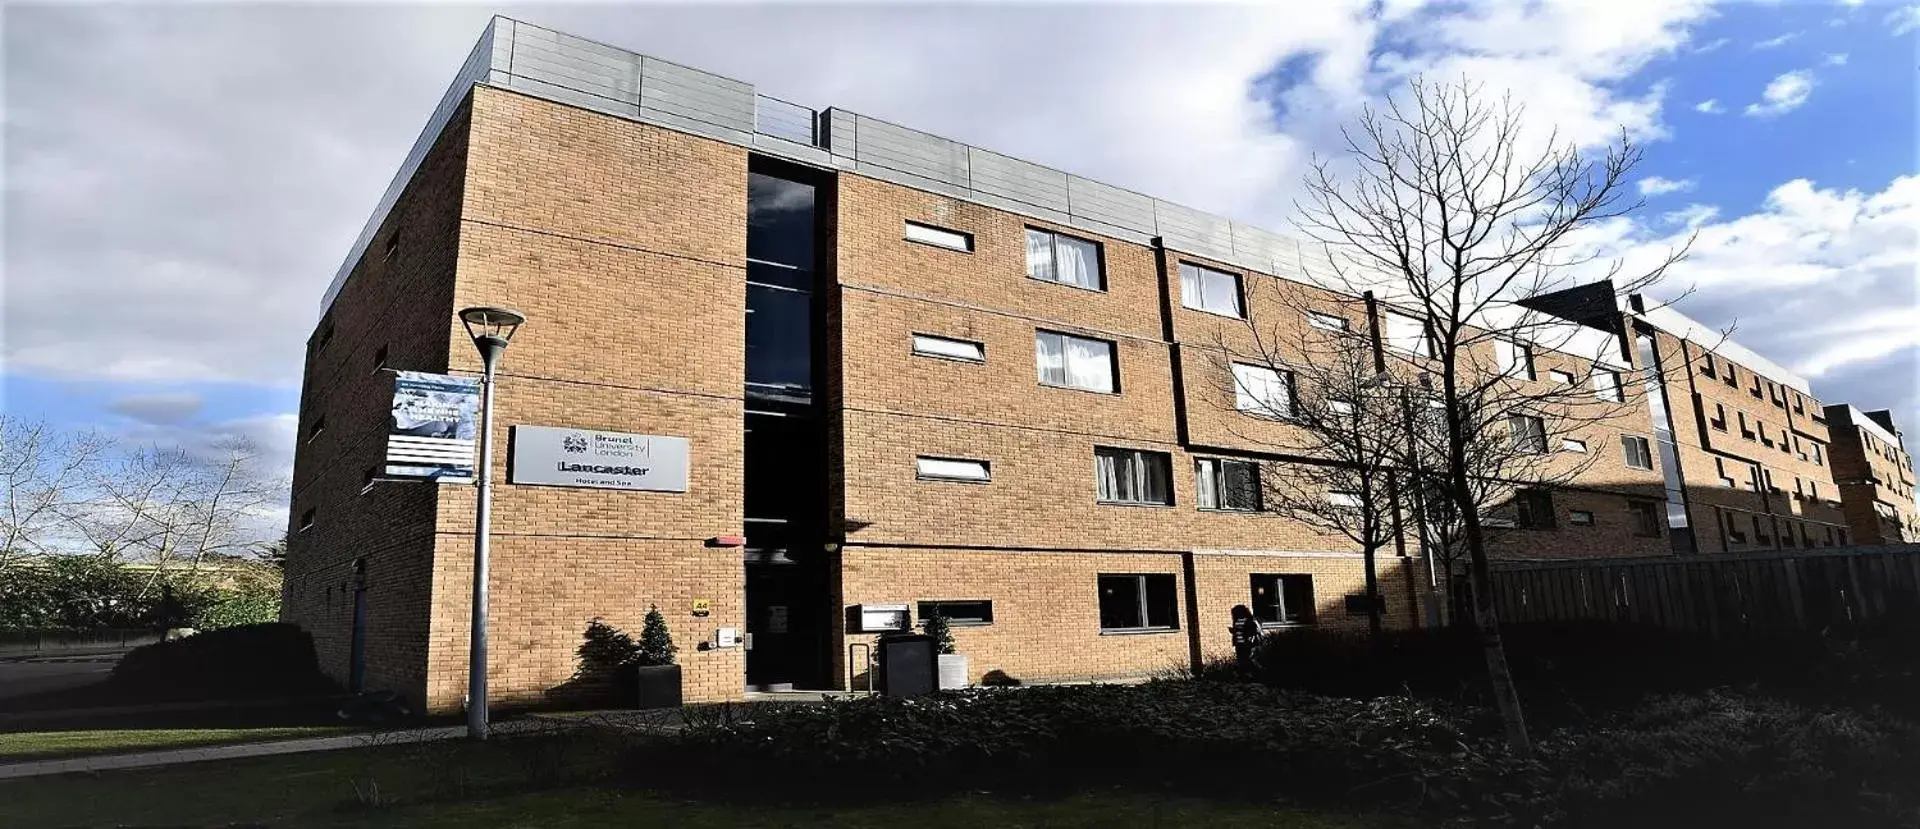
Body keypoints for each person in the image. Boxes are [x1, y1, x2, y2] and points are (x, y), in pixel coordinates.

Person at [1229, 604, 1264, 678]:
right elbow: (1238, 631)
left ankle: (1258, 673)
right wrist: (1234, 631)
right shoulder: (1236, 620)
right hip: (1239, 643)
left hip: (1247, 643)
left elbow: (1252, 631)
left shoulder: (1249, 620)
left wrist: (1241, 631)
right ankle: (1246, 675)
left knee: (1248, 659)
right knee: (1241, 660)